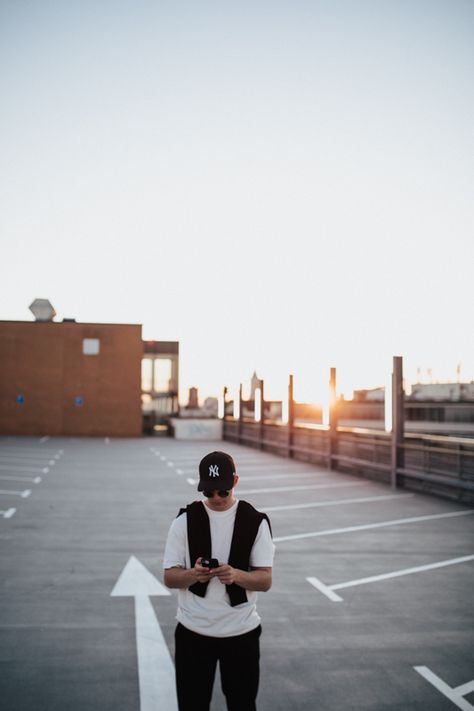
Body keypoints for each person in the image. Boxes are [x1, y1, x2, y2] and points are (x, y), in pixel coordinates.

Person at [163, 450, 275, 711]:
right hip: (193, 632)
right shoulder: (184, 521)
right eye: (208, 492)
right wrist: (193, 575)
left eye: (222, 491)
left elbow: (265, 580)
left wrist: (236, 575)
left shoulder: (255, 521)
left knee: (242, 705)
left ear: (235, 482)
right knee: (192, 705)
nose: (215, 498)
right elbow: (169, 577)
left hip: (241, 633)